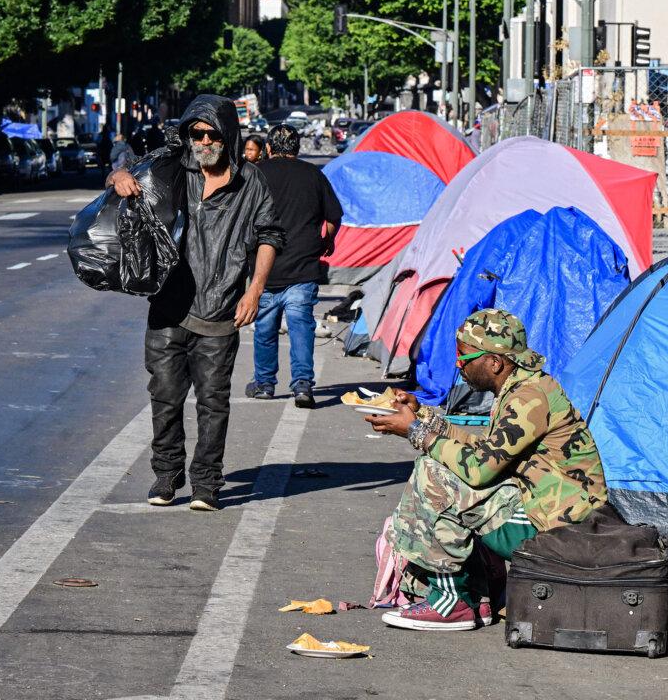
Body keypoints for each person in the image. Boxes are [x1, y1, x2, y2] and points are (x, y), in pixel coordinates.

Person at [365, 309, 608, 631]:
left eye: (465, 357)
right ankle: (478, 598)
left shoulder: (530, 397)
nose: (458, 364)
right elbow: (488, 452)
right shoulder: (523, 388)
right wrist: (421, 415)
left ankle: (452, 602)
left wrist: (416, 434)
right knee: (445, 467)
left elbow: (479, 470)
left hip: (561, 526)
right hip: (548, 509)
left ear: (494, 362)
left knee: (436, 475)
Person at [107, 94, 285, 512]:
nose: (203, 141)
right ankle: (167, 476)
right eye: (196, 133)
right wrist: (118, 176)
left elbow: (269, 236)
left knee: (213, 402)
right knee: (165, 397)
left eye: (211, 134)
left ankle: (207, 483)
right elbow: (122, 174)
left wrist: (254, 289)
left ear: (228, 135)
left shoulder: (251, 181)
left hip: (221, 308)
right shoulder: (172, 166)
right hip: (169, 307)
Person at [245, 124, 342, 408]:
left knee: (265, 329)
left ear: (269, 149)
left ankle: (264, 384)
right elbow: (333, 216)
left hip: (265, 269)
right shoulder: (314, 174)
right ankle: (302, 385)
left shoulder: (256, 174)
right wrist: (328, 241)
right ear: (297, 149)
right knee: (301, 328)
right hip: (303, 267)